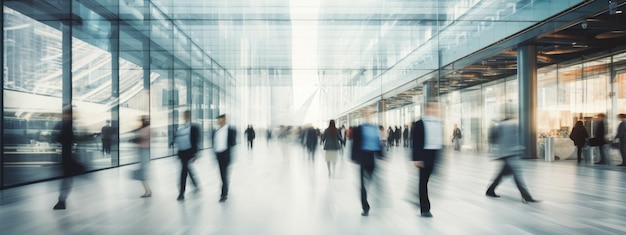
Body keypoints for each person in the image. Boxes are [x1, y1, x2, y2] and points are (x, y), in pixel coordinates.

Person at [486, 104, 538, 204]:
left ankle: (490, 190)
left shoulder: (500, 124)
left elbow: (495, 139)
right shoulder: (512, 124)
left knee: (503, 174)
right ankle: (526, 196)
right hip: (510, 153)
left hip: (505, 153)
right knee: (517, 175)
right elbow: (514, 139)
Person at [411, 101, 443, 218]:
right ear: (427, 109)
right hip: (424, 156)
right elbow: (416, 142)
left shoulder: (438, 123)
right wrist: (416, 158)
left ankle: (418, 197)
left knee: (426, 182)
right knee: (423, 182)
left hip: (433, 155)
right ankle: (425, 208)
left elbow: (439, 141)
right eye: (433, 108)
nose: (435, 111)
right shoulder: (420, 123)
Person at [351, 107, 384, 216]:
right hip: (362, 157)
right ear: (364, 115)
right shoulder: (359, 128)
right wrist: (354, 157)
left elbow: (377, 142)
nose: (368, 115)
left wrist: (381, 155)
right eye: (366, 113)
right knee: (363, 184)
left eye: (370, 113)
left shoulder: (375, 128)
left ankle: (375, 197)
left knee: (369, 180)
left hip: (372, 157)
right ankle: (365, 206)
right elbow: (355, 143)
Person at [53, 106, 86, 210]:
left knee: (66, 179)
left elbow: (57, 137)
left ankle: (61, 201)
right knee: (67, 179)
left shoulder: (63, 124)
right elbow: (69, 139)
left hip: (65, 155)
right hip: (67, 156)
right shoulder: (67, 125)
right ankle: (61, 201)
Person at [175, 110, 201, 201]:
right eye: (184, 115)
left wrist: (196, 154)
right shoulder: (181, 127)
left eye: (186, 115)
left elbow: (197, 141)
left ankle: (181, 193)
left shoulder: (194, 127)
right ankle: (195, 184)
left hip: (189, 152)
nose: (185, 117)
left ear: (189, 116)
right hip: (182, 153)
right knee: (187, 169)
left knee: (183, 172)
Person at [213, 114, 237, 202]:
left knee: (224, 174)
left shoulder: (230, 130)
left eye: (221, 119)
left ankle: (224, 194)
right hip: (219, 155)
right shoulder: (217, 131)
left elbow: (233, 142)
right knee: (222, 174)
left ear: (225, 120)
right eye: (219, 120)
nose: (219, 121)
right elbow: (215, 143)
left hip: (226, 155)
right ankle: (225, 188)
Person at [133, 115, 152, 198]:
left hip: (144, 150)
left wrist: (139, 138)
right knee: (142, 172)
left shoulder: (147, 129)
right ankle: (147, 190)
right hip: (142, 150)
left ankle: (148, 191)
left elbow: (145, 138)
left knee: (143, 172)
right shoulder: (143, 129)